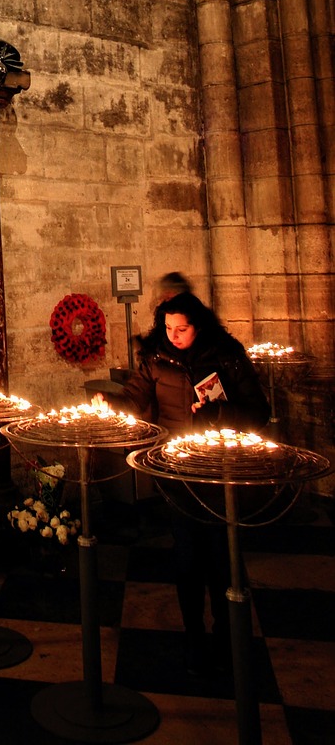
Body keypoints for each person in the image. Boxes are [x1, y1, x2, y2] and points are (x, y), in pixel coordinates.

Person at [118, 290, 270, 677]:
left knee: (221, 555)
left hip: (219, 468)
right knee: (186, 557)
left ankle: (227, 634)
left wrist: (220, 412)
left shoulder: (226, 354)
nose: (174, 335)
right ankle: (193, 635)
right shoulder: (156, 356)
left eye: (181, 329)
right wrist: (110, 403)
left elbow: (258, 411)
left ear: (198, 325)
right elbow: (136, 397)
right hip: (178, 470)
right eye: (168, 328)